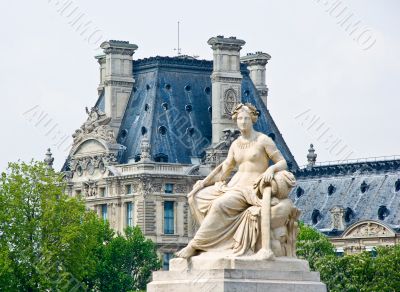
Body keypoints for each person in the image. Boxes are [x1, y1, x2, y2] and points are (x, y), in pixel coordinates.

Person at [176, 103, 297, 259]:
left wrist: (270, 169)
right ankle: (214, 245)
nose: (243, 122)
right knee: (199, 197)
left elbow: (282, 162)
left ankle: (195, 245)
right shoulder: (235, 144)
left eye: (246, 118)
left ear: (253, 119)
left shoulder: (263, 140)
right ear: (236, 120)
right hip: (233, 186)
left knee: (219, 204)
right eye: (240, 118)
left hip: (250, 189)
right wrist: (204, 184)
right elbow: (224, 169)